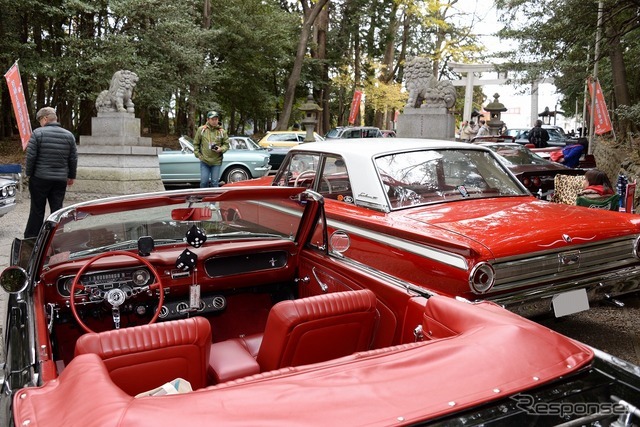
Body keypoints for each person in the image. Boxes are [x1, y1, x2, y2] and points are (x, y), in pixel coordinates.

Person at [24, 107, 78, 238]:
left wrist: (29, 173)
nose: (40, 123)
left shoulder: (38, 134)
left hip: (40, 178)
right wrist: (71, 176)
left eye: (40, 120)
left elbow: (31, 157)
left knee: (37, 209)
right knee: (57, 209)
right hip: (60, 180)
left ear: (45, 119)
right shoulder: (69, 135)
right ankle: (56, 237)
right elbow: (73, 158)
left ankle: (32, 237)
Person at [194, 111, 230, 188]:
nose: (214, 121)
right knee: (204, 182)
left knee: (214, 183)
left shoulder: (222, 132)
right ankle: (203, 199)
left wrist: (221, 149)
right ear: (208, 119)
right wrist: (198, 155)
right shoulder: (201, 130)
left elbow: (226, 145)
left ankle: (214, 200)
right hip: (204, 161)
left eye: (216, 119)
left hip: (216, 162)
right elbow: (196, 143)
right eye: (212, 119)